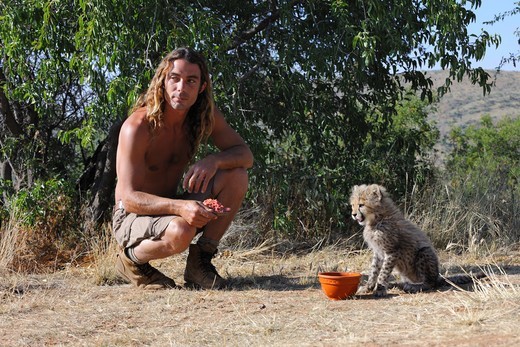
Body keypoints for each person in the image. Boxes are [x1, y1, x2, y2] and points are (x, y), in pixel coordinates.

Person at [112, 47, 254, 290]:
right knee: (182, 230)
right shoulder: (137, 127)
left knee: (236, 176)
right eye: (174, 78)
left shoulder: (202, 117)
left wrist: (214, 160)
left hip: (171, 205)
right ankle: (131, 262)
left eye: (191, 81)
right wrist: (181, 207)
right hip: (133, 215)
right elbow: (129, 198)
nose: (181, 88)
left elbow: (245, 156)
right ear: (162, 82)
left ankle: (200, 264)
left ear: (201, 87)